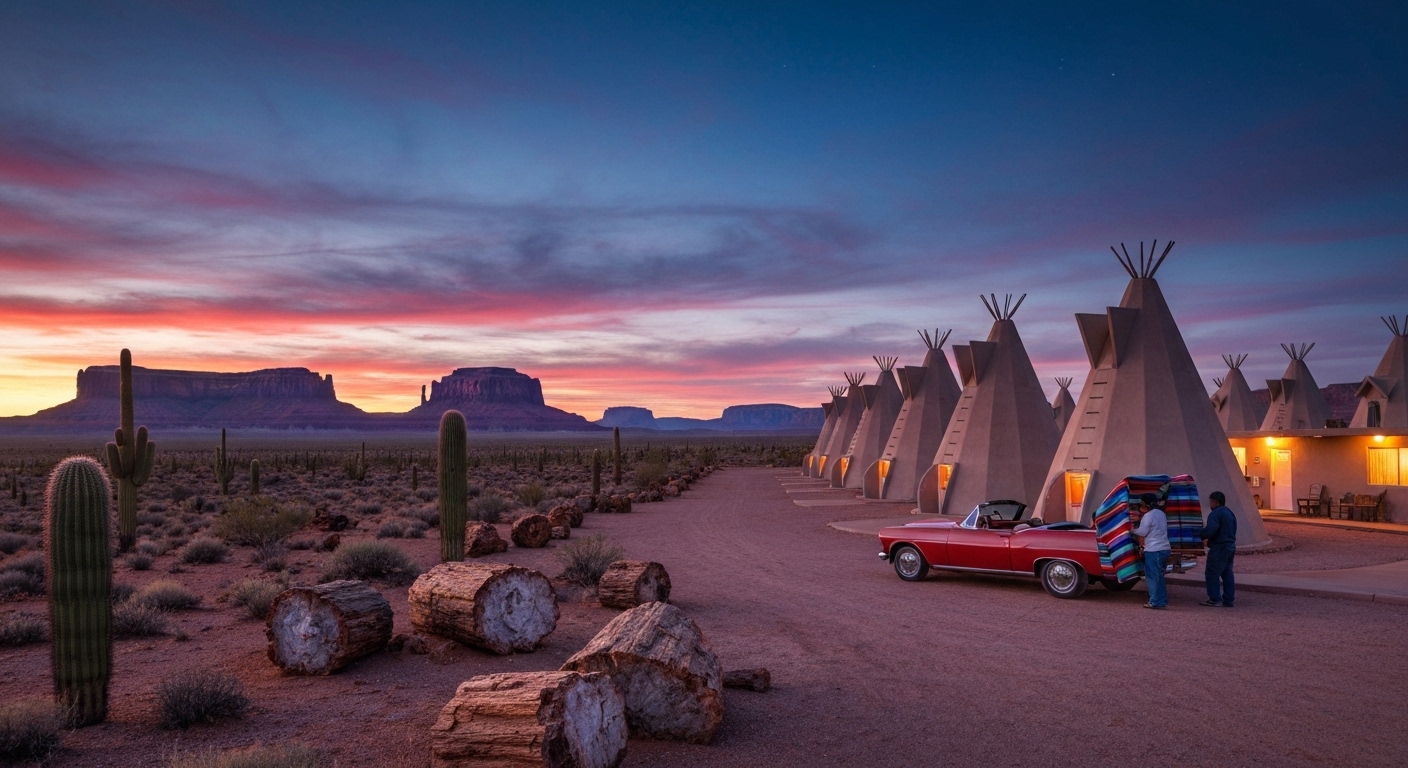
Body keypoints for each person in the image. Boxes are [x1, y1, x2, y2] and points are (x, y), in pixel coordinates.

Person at [1131, 493, 1171, 609]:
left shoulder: (1148, 516)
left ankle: (1155, 601)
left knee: (1152, 576)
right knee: (1159, 576)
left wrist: (1132, 531)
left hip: (1154, 549)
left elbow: (1142, 532)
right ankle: (1161, 600)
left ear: (1145, 504)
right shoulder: (1161, 514)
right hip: (1165, 548)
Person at [1199, 491, 1238, 607]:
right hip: (1230, 546)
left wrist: (1200, 535)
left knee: (1212, 573)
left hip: (1219, 547)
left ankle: (1215, 598)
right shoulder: (1230, 513)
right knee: (1227, 573)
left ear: (1214, 502)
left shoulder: (1215, 514)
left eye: (1211, 501)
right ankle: (1229, 599)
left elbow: (1211, 529)